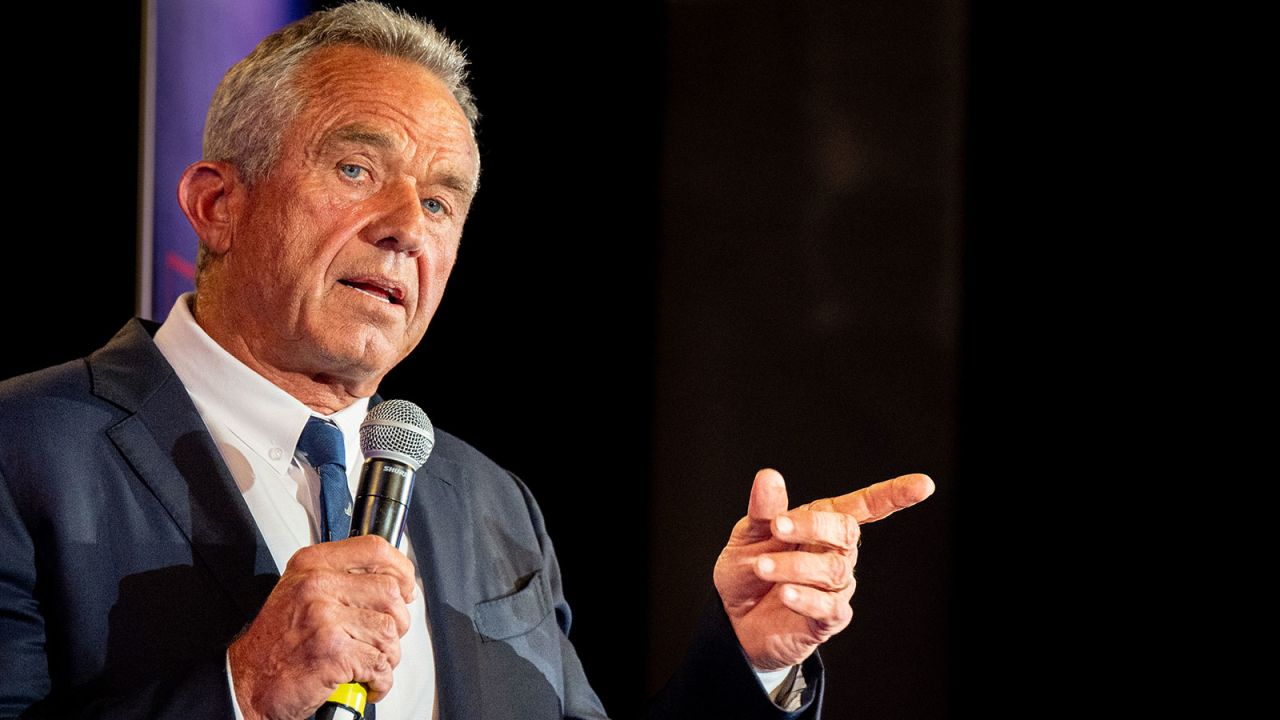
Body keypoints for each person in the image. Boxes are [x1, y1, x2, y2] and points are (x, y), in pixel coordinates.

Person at [0, 2, 934, 719]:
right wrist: (245, 690)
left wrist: (749, 659)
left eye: (443, 203)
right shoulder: (25, 452)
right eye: (356, 170)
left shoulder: (488, 504)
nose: (408, 227)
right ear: (217, 206)